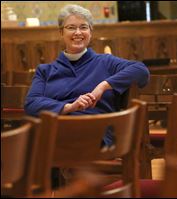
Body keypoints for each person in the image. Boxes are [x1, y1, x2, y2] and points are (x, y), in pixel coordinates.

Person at [24, 4, 150, 146]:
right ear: (61, 32)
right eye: (71, 27)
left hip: (96, 134)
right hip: (57, 132)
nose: (78, 32)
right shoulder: (45, 70)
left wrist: (103, 86)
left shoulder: (106, 62)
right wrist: (70, 107)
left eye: (83, 27)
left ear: (90, 32)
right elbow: (31, 104)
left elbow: (141, 70)